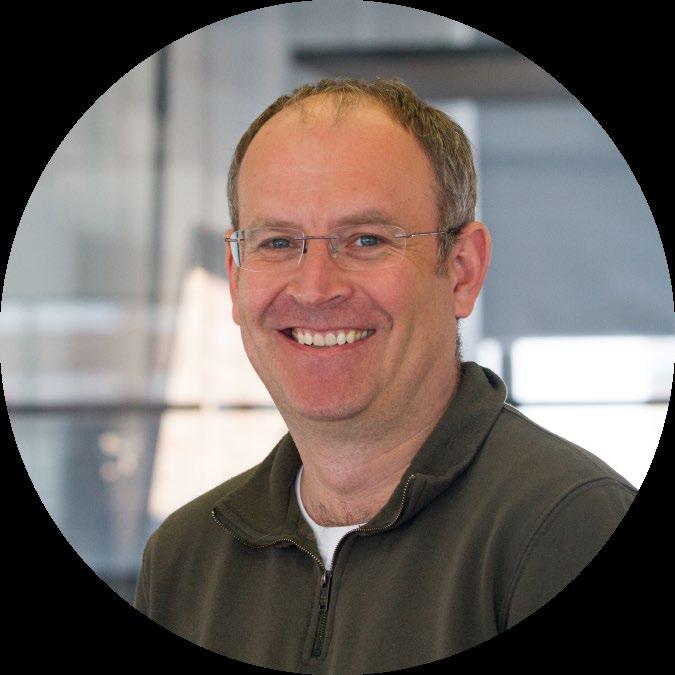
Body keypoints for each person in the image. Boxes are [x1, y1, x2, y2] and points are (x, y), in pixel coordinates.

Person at [134, 79, 636, 672]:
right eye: (278, 242)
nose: (314, 288)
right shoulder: (186, 559)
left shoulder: (569, 530)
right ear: (236, 277)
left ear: (462, 270)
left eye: (366, 240)